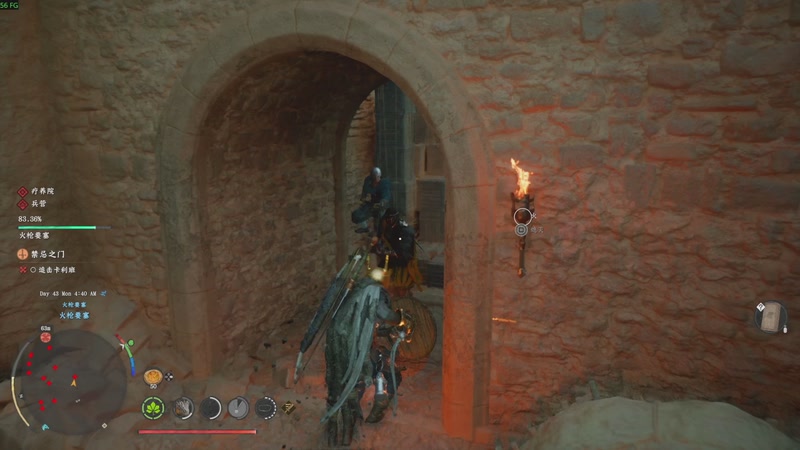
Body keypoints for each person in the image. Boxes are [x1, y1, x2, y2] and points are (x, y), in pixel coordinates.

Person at [322, 268, 412, 447]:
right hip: (353, 345)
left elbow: (371, 321)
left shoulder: (354, 291)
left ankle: (335, 433)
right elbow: (385, 315)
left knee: (338, 383)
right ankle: (371, 410)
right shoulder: (375, 292)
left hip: (336, 340)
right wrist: (400, 319)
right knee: (380, 373)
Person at [372, 208, 424, 295]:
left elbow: (404, 251)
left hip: (403, 264)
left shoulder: (404, 231)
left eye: (390, 218)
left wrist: (390, 252)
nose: (388, 221)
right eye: (387, 219)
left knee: (400, 286)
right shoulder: (390, 229)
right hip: (393, 264)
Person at [352, 167, 391, 234]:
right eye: (374, 177)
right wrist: (363, 198)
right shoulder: (368, 180)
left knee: (381, 218)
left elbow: (386, 196)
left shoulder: (384, 183)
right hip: (372, 203)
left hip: (382, 204)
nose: (376, 180)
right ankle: (365, 227)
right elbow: (365, 191)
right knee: (357, 215)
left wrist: (382, 202)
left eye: (377, 177)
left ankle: (381, 233)